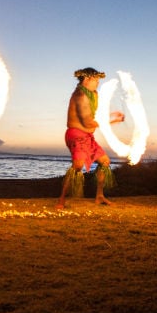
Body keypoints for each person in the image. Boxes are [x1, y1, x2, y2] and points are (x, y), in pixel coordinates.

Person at [56, 67, 125, 209]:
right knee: (77, 166)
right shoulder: (80, 96)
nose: (98, 83)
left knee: (105, 162)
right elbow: (87, 122)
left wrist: (111, 115)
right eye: (96, 80)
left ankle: (99, 196)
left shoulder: (93, 94)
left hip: (88, 136)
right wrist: (113, 120)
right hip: (76, 135)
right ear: (87, 79)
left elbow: (95, 116)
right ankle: (61, 199)